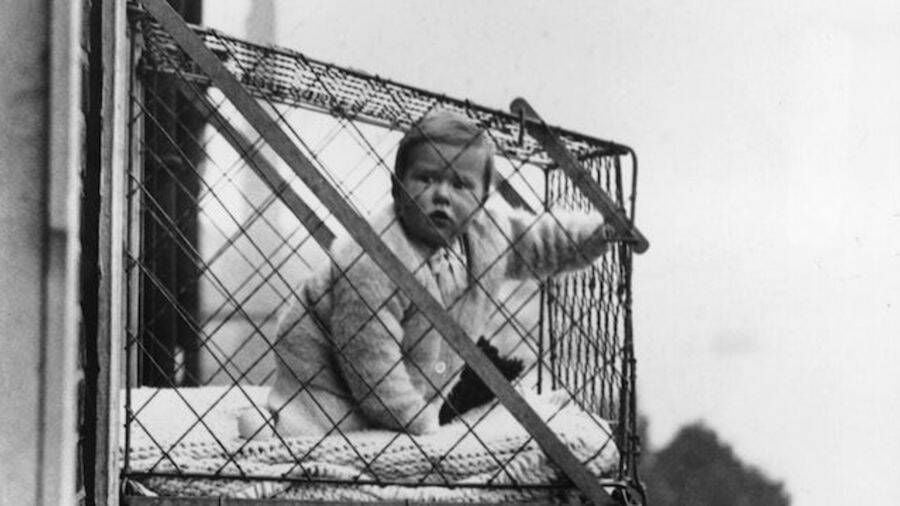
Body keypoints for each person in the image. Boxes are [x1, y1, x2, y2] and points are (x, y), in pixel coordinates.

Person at [239, 110, 614, 439]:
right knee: (322, 430)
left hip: (420, 372)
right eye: (426, 179)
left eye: (461, 184)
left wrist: (599, 234)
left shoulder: (487, 236)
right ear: (397, 189)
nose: (442, 195)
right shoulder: (373, 259)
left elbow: (542, 242)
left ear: (483, 200)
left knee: (452, 400)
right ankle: (278, 422)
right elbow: (370, 359)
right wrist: (414, 422)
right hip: (325, 375)